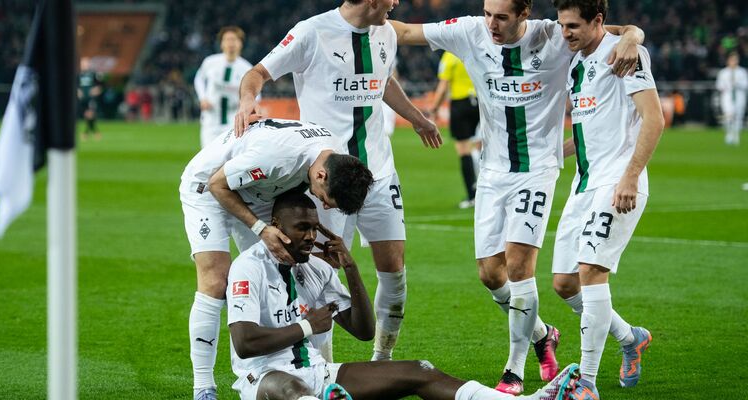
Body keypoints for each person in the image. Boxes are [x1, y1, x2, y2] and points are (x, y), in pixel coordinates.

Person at [390, 0, 644, 393]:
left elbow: (611, 31)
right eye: (488, 13)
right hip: (492, 171)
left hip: (537, 170)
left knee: (520, 265)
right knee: (491, 275)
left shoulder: (554, 35)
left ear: (524, 15)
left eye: (502, 16)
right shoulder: (469, 31)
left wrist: (633, 34)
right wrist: (354, 22)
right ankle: (544, 333)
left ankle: (514, 369)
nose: (491, 23)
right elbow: (404, 31)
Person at [235, 0, 443, 363]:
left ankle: (383, 359)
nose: (396, 3)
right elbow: (257, 74)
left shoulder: (386, 33)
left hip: (378, 171)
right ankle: (323, 367)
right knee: (319, 273)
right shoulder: (310, 32)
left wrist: (417, 117)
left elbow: (382, 81)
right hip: (326, 179)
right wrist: (247, 103)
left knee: (394, 270)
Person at [226, 190, 582, 400]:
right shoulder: (249, 267)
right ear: (276, 227)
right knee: (289, 388)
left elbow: (364, 330)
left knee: (421, 370)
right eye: (301, 228)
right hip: (263, 379)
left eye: (313, 228)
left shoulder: (316, 268)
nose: (309, 236)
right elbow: (243, 343)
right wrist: (306, 327)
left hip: (320, 373)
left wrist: (350, 268)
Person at [179, 118, 374, 400]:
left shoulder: (333, 157)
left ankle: (303, 369)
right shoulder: (277, 157)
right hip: (209, 188)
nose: (325, 204)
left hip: (257, 190)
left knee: (286, 265)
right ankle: (204, 387)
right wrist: (260, 229)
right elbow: (218, 184)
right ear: (321, 176)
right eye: (325, 198)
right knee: (216, 279)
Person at [551, 1, 664, 398]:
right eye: (563, 25)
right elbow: (588, 132)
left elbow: (654, 118)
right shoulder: (578, 63)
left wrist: (630, 176)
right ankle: (630, 337)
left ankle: (586, 383)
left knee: (591, 271)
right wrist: (548, 153)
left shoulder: (624, 54)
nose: (566, 33)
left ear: (599, 21)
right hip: (583, 184)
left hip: (616, 182)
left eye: (574, 26)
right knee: (565, 284)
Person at [428, 51, 482, 209]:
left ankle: (472, 195)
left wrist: (434, 109)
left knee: (464, 150)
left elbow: (443, 85)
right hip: (481, 102)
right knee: (484, 148)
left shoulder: (450, 56)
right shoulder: (476, 50)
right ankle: (489, 192)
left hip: (460, 104)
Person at [194, 26, 254, 148]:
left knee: (229, 160)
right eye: (227, 39)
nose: (230, 43)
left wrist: (245, 106)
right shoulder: (210, 62)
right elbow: (199, 79)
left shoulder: (247, 68)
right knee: (207, 158)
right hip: (211, 119)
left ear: (241, 43)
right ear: (221, 44)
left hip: (234, 121)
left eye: (234, 39)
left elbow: (256, 95)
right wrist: (203, 98)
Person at [715, 52, 747, 146]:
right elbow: (719, 85)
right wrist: (726, 85)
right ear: (728, 61)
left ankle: (736, 135)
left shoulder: (742, 72)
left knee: (738, 116)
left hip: (739, 95)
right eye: (732, 59)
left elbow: (746, 85)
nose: (734, 61)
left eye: (735, 59)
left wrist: (737, 84)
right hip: (727, 96)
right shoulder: (723, 72)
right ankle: (729, 134)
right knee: (728, 115)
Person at [77, 57, 103, 141]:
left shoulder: (93, 74)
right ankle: (93, 132)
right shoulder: (78, 74)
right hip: (83, 98)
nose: (85, 65)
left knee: (90, 114)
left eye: (86, 63)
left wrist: (96, 90)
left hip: (91, 97)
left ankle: (88, 133)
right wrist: (77, 91)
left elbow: (100, 86)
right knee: (87, 116)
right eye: (83, 63)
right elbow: (75, 85)